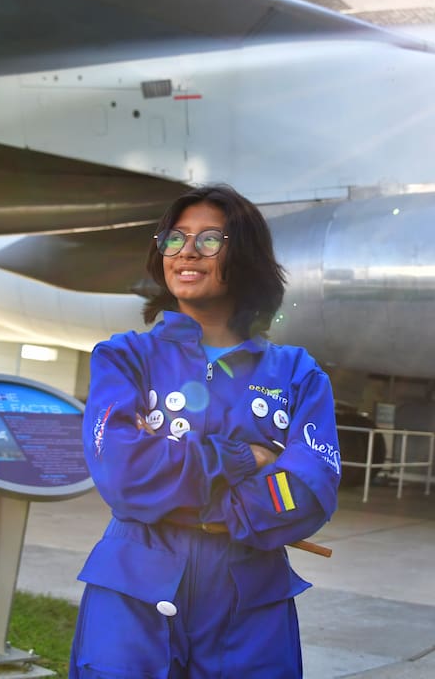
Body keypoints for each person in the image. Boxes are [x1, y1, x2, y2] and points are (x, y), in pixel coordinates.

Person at [71, 184, 342, 679]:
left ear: (247, 256)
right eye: (174, 239)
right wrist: (243, 461)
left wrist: (198, 499)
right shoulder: (126, 358)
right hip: (132, 596)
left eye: (210, 239)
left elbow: (305, 492)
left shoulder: (298, 374)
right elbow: (124, 473)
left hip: (250, 607)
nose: (187, 252)